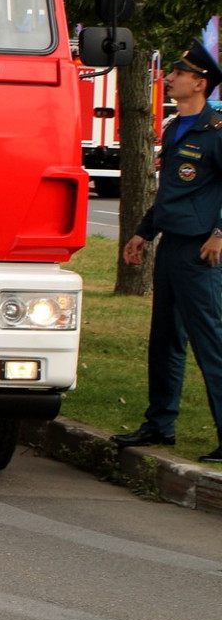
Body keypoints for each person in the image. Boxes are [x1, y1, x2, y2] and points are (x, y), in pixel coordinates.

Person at [116, 39, 222, 462]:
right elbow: (172, 192)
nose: (170, 78)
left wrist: (219, 231)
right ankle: (161, 424)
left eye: (178, 73)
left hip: (200, 254)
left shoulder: (214, 133)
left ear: (200, 83)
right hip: (171, 246)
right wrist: (143, 232)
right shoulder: (176, 127)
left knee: (210, 342)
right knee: (165, 341)